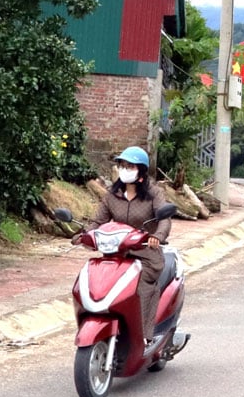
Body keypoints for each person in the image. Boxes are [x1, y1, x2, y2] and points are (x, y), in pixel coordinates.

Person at [73, 146, 172, 346]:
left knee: (140, 286)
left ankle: (145, 335)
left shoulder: (154, 194)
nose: (125, 169)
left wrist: (157, 236)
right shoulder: (113, 195)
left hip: (146, 254)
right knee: (96, 280)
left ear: (141, 170)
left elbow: (165, 218)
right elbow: (97, 221)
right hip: (116, 255)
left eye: (130, 166)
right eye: (122, 165)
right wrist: (84, 236)